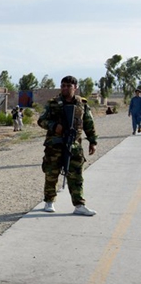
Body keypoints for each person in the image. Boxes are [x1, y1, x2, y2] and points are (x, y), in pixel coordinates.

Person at [37, 76, 98, 216]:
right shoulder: (53, 104)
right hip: (55, 145)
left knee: (76, 176)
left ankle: (79, 205)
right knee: (51, 174)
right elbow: (41, 121)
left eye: (68, 86)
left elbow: (88, 123)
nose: (65, 88)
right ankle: (49, 201)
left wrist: (93, 142)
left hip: (74, 146)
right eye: (63, 85)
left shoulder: (82, 104)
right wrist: (53, 126)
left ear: (75, 87)